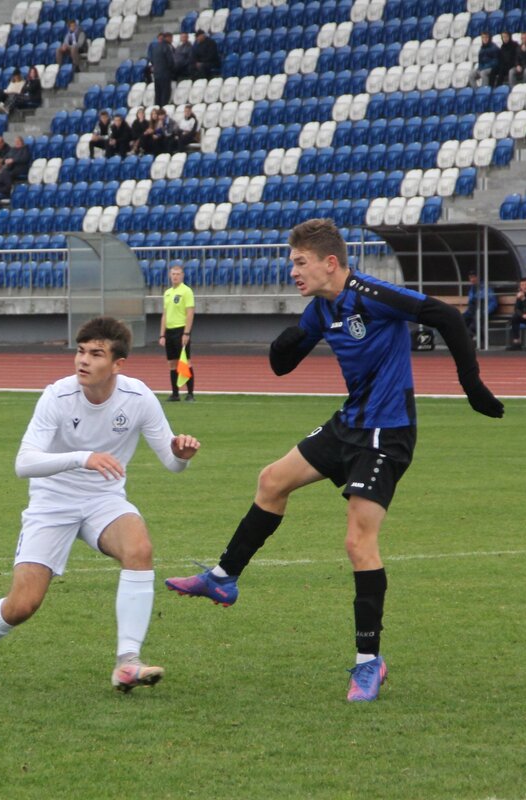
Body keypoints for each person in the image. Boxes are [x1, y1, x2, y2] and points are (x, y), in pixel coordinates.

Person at [163, 219, 504, 702]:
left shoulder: (372, 293)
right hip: (349, 424)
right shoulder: (322, 308)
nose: (292, 271)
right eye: (291, 262)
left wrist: (473, 388)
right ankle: (223, 579)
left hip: (387, 433)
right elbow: (284, 363)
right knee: (272, 481)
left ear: (330, 262)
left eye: (300, 263)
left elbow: (445, 317)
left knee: (357, 540)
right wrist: (285, 342)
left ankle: (369, 663)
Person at [0, 316, 201, 693]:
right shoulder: (57, 395)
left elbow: (171, 463)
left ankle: (127, 663)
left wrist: (181, 455)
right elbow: (24, 463)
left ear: (118, 365)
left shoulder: (139, 397)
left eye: (96, 354)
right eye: (81, 351)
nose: (83, 360)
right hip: (52, 502)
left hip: (104, 499)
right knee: (23, 605)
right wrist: (83, 457)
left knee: (139, 548)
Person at [158, 263, 195, 401]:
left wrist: (186, 333)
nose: (175, 276)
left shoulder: (186, 291)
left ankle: (190, 393)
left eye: (178, 274)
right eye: (173, 274)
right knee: (172, 363)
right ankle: (175, 393)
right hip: (169, 331)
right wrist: (162, 334)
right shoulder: (167, 293)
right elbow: (165, 315)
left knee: (185, 362)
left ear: (182, 276)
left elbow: (190, 313)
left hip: (181, 330)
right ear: (169, 275)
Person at [462, 270, 498, 340]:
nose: (472, 279)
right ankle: (468, 339)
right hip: (473, 312)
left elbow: (493, 303)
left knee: (476, 320)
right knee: (462, 319)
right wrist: (466, 313)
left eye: (473, 277)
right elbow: (471, 304)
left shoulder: (486, 288)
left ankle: (470, 338)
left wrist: (485, 312)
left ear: (478, 278)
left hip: (484, 311)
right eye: (470, 278)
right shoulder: (472, 289)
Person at [151, 32, 176, 107]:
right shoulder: (167, 47)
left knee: (158, 93)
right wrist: (172, 70)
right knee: (165, 93)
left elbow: (152, 60)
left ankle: (157, 108)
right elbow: (170, 61)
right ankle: (163, 109)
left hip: (156, 74)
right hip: (165, 73)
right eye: (171, 38)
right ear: (167, 38)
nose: (172, 40)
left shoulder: (155, 47)